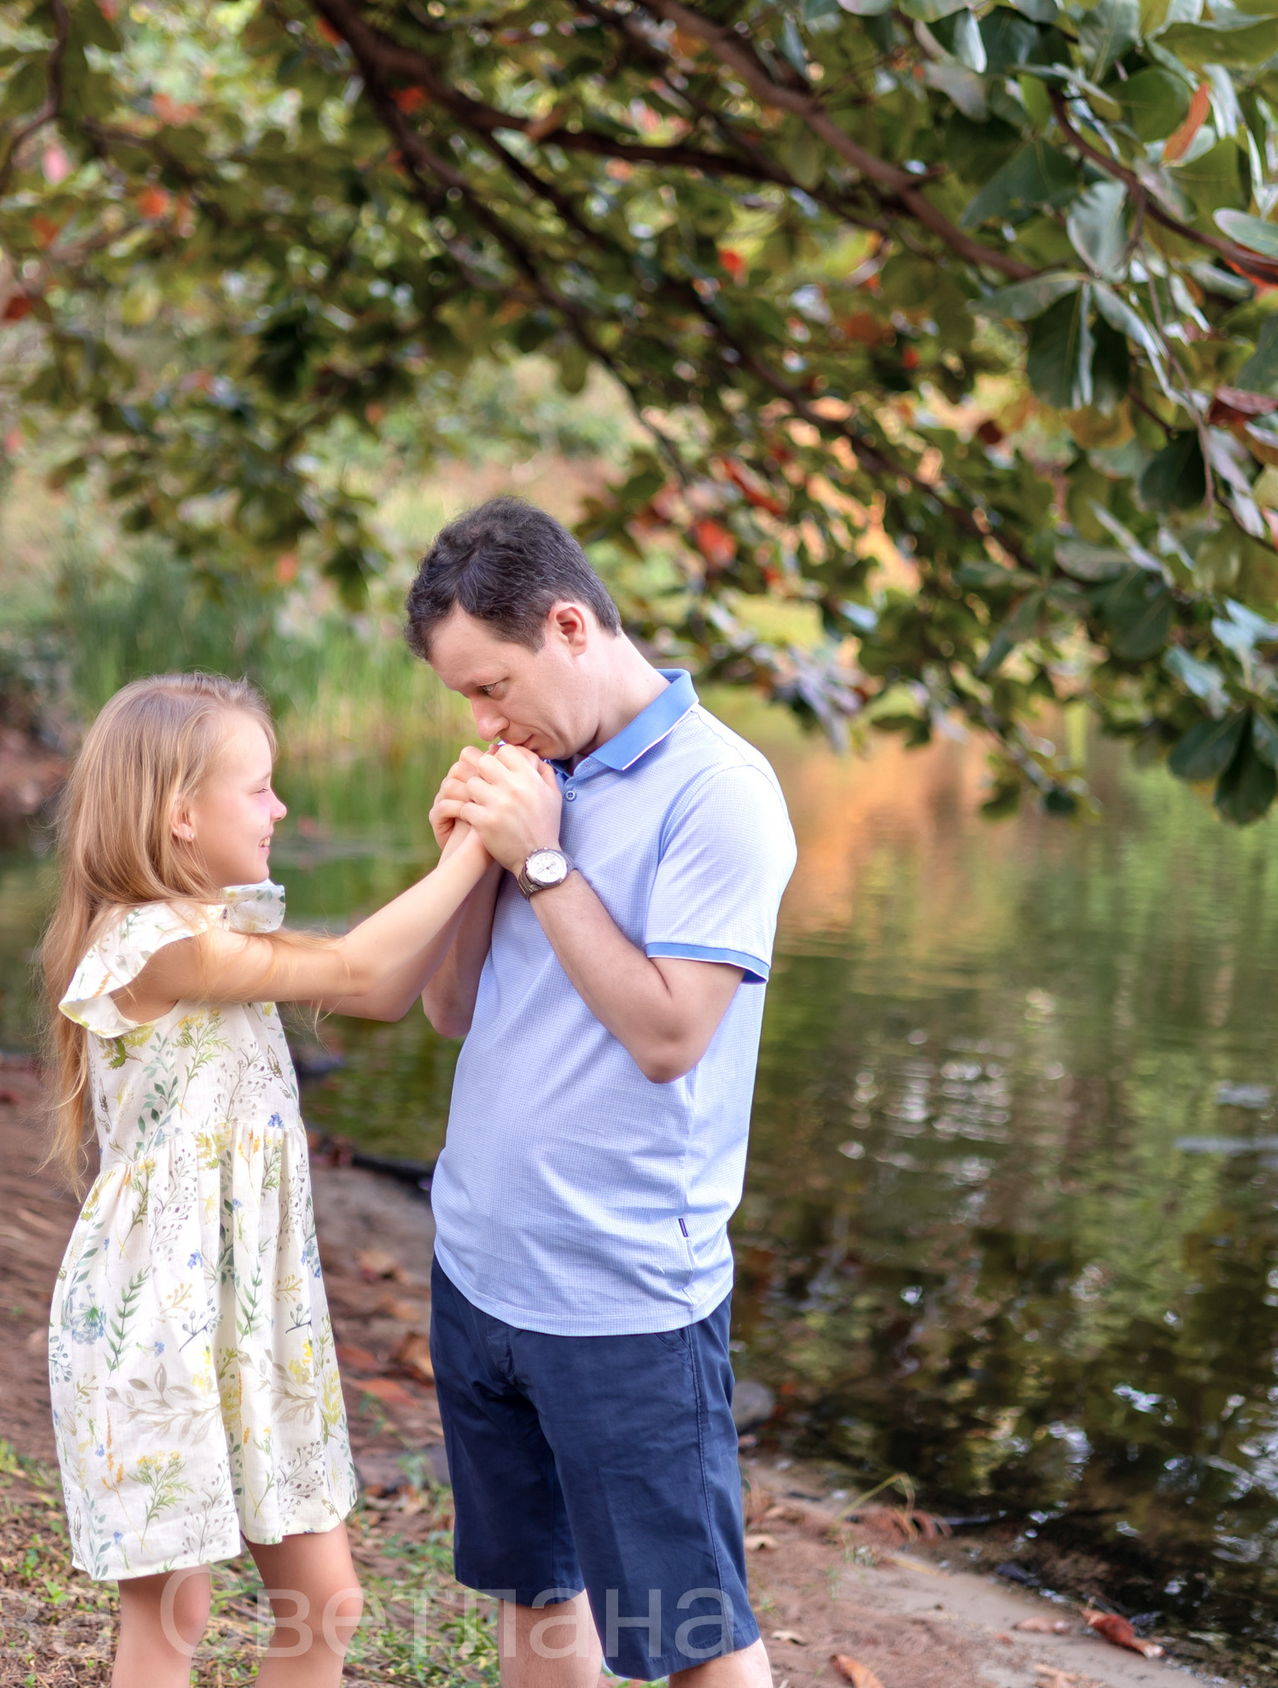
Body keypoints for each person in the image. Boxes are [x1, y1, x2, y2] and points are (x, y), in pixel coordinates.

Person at [38, 672, 496, 1688]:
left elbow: (376, 983)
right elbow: (346, 971)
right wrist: (477, 846)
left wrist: (470, 855)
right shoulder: (152, 944)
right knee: (173, 1612)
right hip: (156, 1315)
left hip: (255, 1310)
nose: (280, 810)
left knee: (324, 1600)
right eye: (261, 789)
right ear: (181, 814)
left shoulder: (215, 926)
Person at [417, 499, 798, 1688]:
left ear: (570, 626)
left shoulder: (721, 791)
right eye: (465, 701)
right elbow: (449, 1009)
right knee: (538, 1594)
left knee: (694, 1641)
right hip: (479, 1267)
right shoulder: (529, 774)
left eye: (492, 686)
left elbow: (670, 1033)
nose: (484, 721)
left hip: (623, 1297)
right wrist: (462, 871)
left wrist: (540, 859)